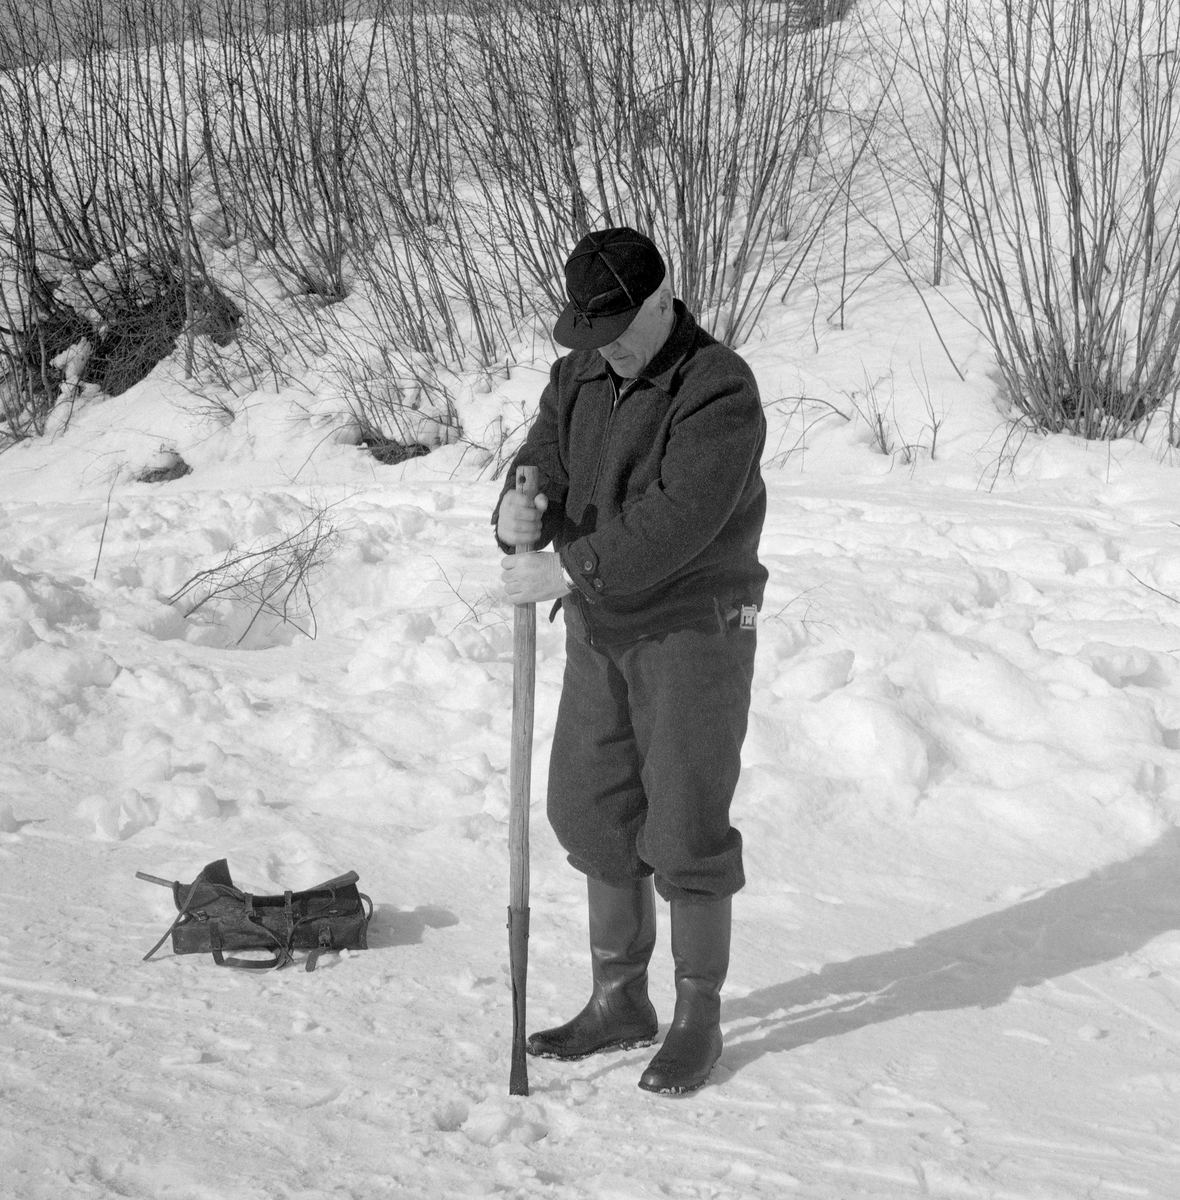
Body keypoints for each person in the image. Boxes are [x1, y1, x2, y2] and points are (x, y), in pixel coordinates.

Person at [493, 227, 767, 1094]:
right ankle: (620, 999)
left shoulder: (717, 388)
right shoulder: (580, 369)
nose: (602, 346)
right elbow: (547, 451)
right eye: (587, 331)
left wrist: (567, 565)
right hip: (601, 624)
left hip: (693, 623)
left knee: (684, 818)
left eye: (618, 326)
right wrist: (518, 501)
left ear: (661, 300)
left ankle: (697, 1016)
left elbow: (679, 519)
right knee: (589, 806)